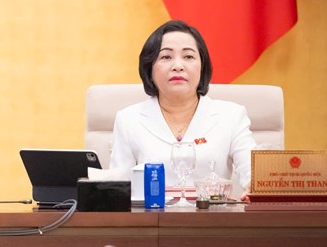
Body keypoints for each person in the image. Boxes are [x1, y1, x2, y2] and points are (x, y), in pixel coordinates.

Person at [109, 20, 255, 199]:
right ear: (149, 68)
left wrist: (255, 188)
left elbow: (253, 175)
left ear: (202, 66)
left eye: (188, 57)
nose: (178, 66)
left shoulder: (231, 116)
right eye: (166, 57)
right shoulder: (128, 119)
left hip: (214, 215)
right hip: (151, 216)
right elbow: (118, 190)